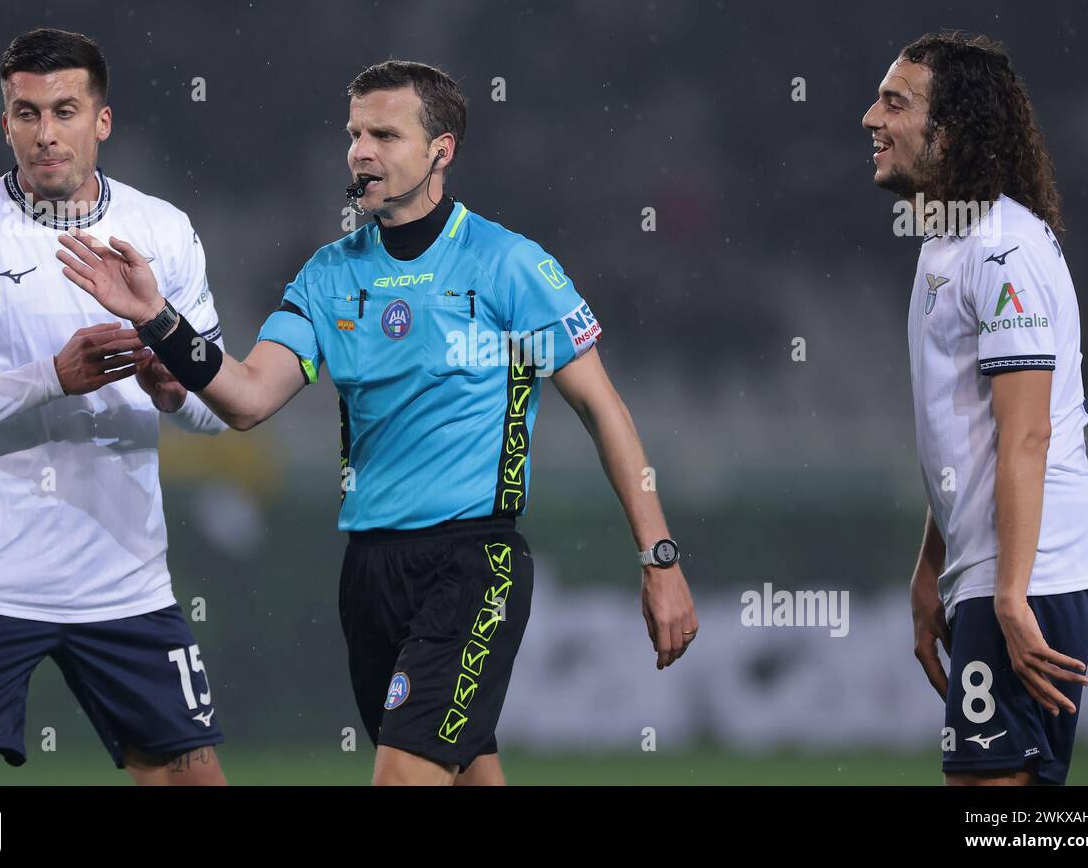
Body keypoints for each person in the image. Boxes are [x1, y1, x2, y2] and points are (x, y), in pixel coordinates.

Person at [56, 59, 699, 786]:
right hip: (369, 573)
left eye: (385, 134)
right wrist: (158, 319)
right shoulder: (329, 275)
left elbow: (603, 410)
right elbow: (245, 398)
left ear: (441, 150)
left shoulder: (508, 265)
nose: (361, 150)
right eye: (355, 132)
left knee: (402, 778)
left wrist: (659, 559)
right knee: (467, 776)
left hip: (472, 564)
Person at [0, 28, 228, 785]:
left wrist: (174, 391)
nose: (46, 134)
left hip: (124, 582)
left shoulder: (163, 232)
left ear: (101, 119)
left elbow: (217, 408)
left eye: (64, 110)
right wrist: (50, 377)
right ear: (4, 123)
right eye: (26, 113)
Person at [862, 31, 1088, 785]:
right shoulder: (947, 241)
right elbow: (968, 432)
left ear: (949, 130)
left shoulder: (1001, 251)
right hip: (1004, 567)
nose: (870, 118)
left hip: (1033, 570)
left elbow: (1028, 431)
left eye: (894, 102)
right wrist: (932, 564)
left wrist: (1007, 593)